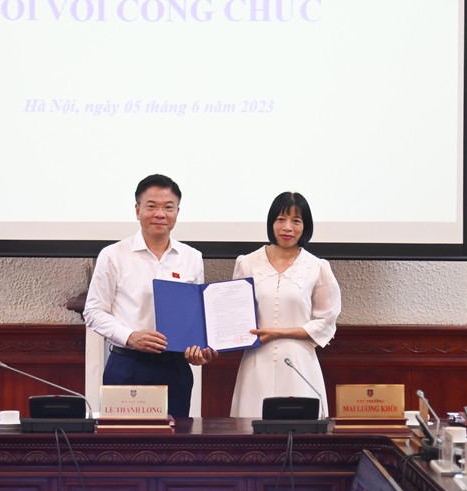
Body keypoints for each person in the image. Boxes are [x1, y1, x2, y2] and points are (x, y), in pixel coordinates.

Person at [83, 174, 217, 418]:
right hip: (127, 365)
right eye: (152, 206)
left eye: (168, 207)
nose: (160, 214)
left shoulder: (191, 257)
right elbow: (93, 311)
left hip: (175, 368)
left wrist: (198, 350)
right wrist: (130, 336)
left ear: (177, 212)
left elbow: (194, 316)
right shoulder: (113, 255)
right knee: (124, 439)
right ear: (137, 210)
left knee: (175, 439)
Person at [230, 192, 342, 418]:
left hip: (299, 362)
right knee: (251, 427)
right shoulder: (247, 263)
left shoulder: (317, 267)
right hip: (256, 360)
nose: (287, 227)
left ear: (305, 226)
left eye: (296, 221)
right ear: (271, 223)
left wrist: (278, 332)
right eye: (281, 219)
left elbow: (326, 321)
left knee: (301, 429)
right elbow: (235, 312)